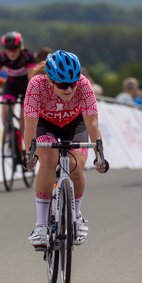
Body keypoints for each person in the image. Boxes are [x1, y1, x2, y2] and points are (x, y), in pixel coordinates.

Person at [23, 50, 109, 249]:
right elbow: (30, 127)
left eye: (73, 83)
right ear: (50, 81)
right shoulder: (36, 85)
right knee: (48, 160)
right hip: (46, 125)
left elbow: (93, 126)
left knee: (75, 167)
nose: (69, 89)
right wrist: (29, 154)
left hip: (74, 125)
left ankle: (77, 217)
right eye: (62, 85)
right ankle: (41, 226)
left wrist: (100, 157)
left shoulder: (84, 85)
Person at [0, 31, 36, 136]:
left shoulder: (28, 56)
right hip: (11, 86)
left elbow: (31, 78)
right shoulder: (2, 57)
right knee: (5, 110)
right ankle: (8, 136)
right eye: (8, 50)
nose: (11, 53)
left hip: (26, 86)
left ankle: (24, 142)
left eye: (15, 50)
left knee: (24, 119)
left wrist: (31, 96)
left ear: (21, 47)